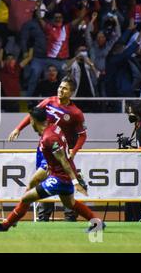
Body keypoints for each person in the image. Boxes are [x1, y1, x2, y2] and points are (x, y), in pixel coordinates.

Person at [0, 107, 104, 232]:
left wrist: (75, 182)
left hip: (59, 179)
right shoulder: (53, 127)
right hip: (62, 176)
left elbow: (63, 161)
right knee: (70, 203)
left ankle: (6, 225)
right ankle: (97, 223)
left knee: (26, 198)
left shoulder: (49, 137)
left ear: (33, 120)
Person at [8, 76, 87, 221]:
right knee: (48, 182)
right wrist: (18, 128)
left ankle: (16, 216)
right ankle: (44, 216)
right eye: (60, 87)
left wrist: (73, 151)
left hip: (58, 151)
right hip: (43, 149)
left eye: (65, 88)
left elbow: (82, 136)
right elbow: (33, 115)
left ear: (71, 93)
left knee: (35, 181)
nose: (60, 90)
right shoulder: (49, 101)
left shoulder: (75, 113)